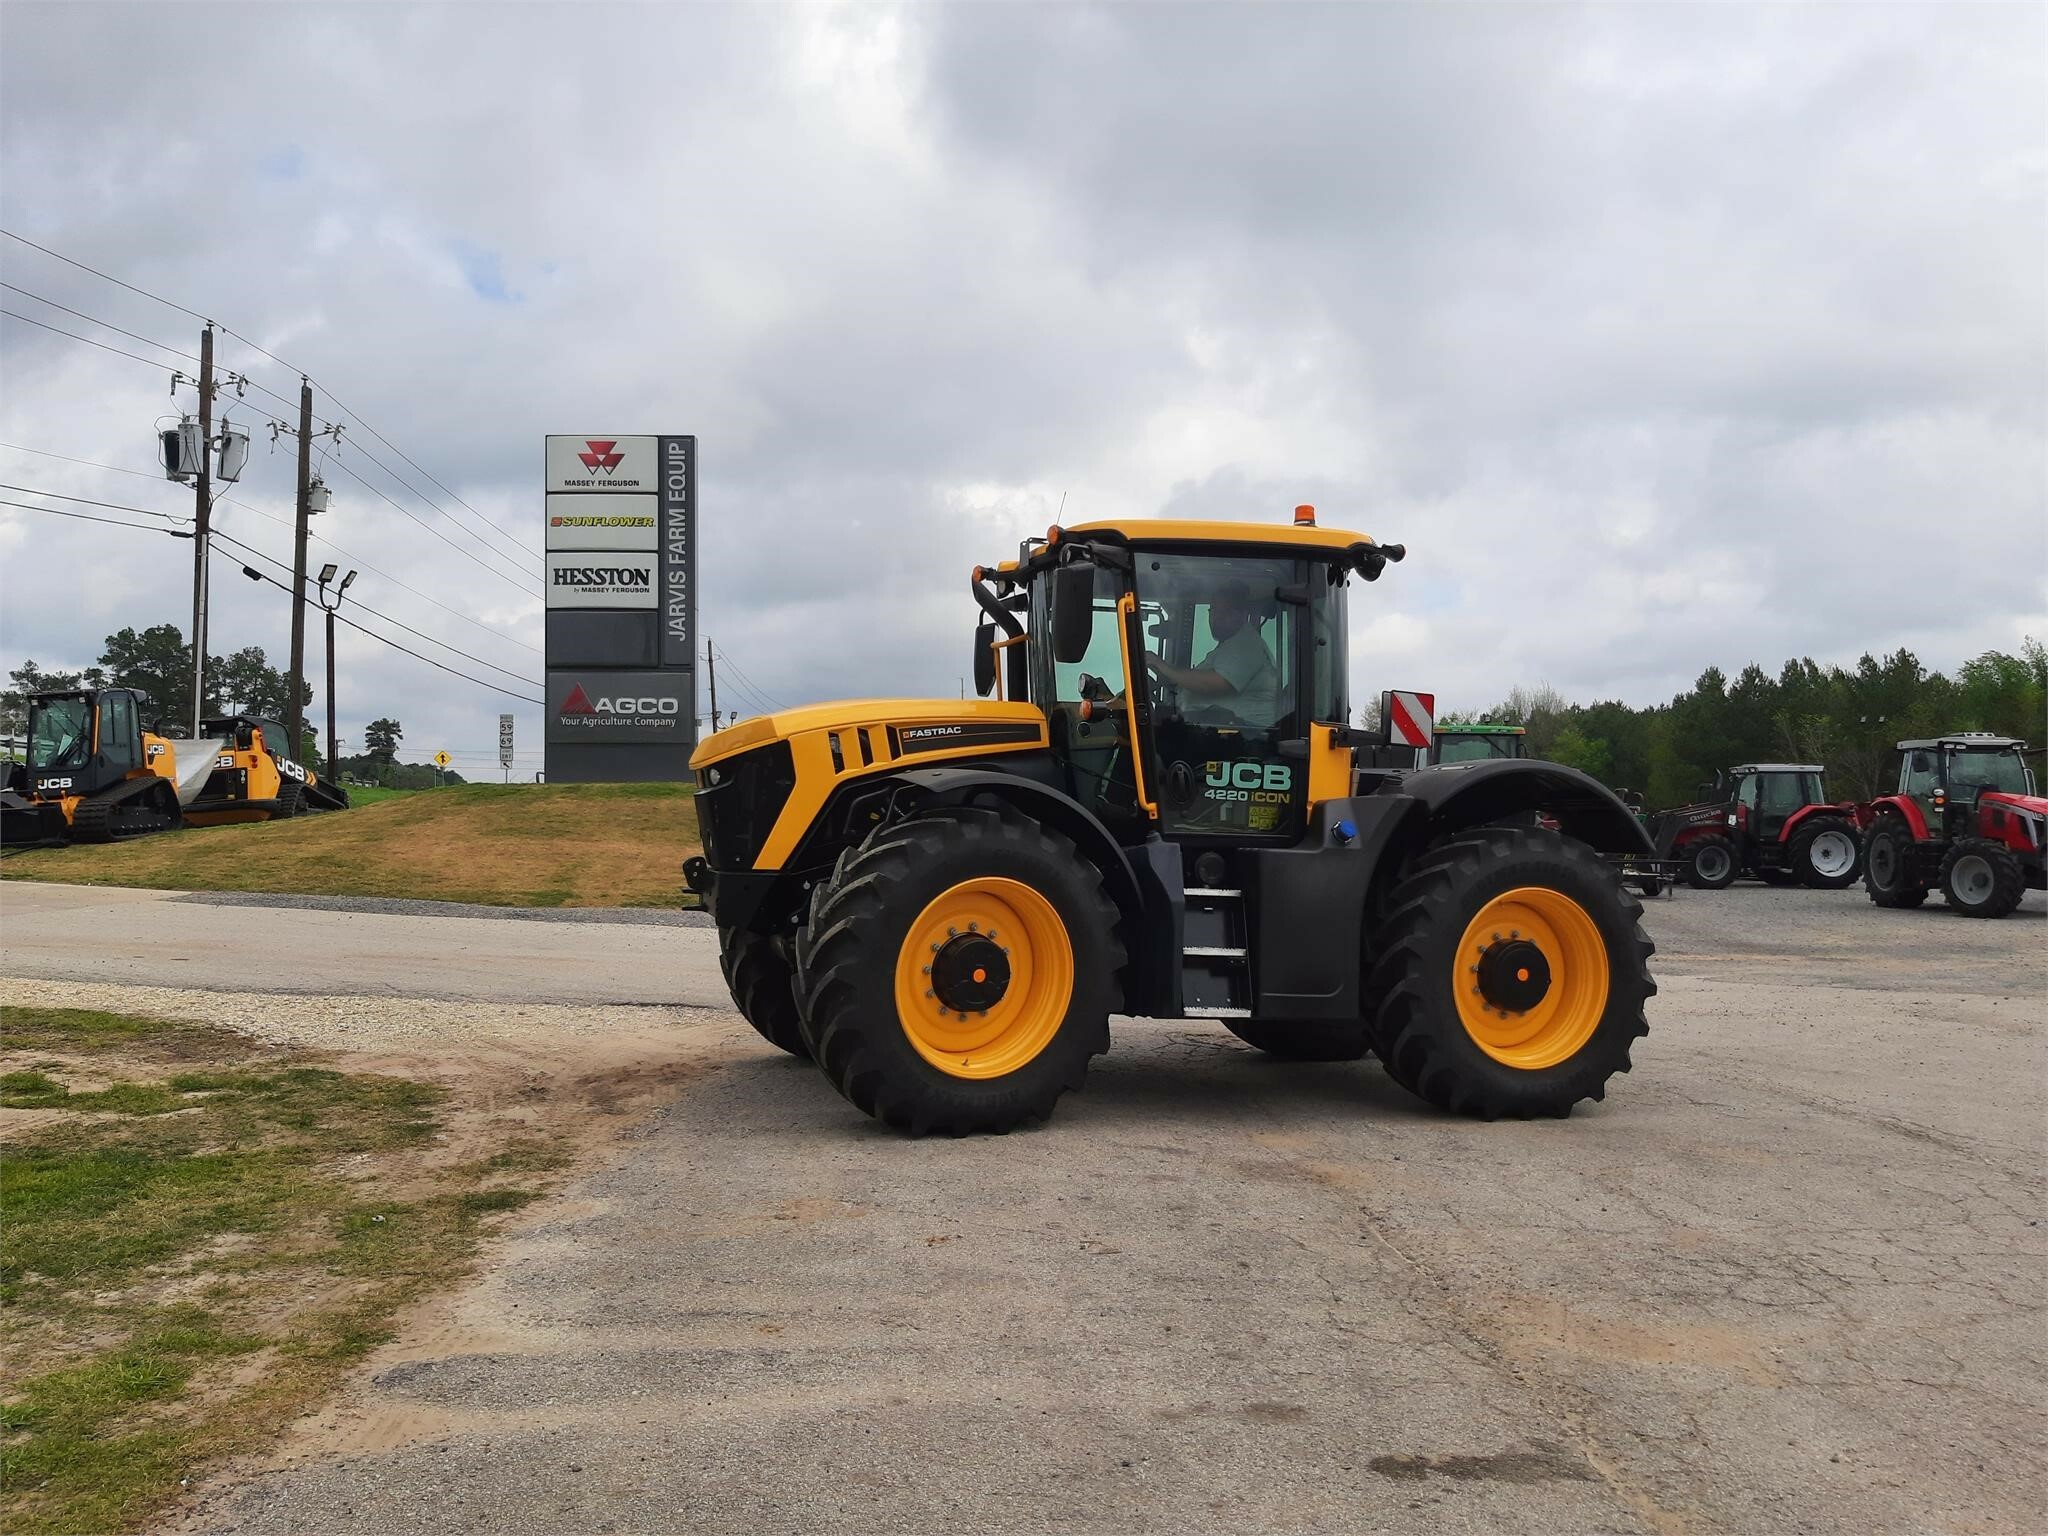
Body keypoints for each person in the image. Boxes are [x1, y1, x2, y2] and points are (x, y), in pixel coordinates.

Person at [1145, 582, 1281, 725]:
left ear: (1242, 614)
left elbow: (1216, 683)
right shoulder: (1229, 647)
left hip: (1243, 735)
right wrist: (1163, 675)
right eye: (1214, 610)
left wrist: (1162, 666)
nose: (1217, 617)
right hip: (1217, 729)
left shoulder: (1246, 644)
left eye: (1225, 611)